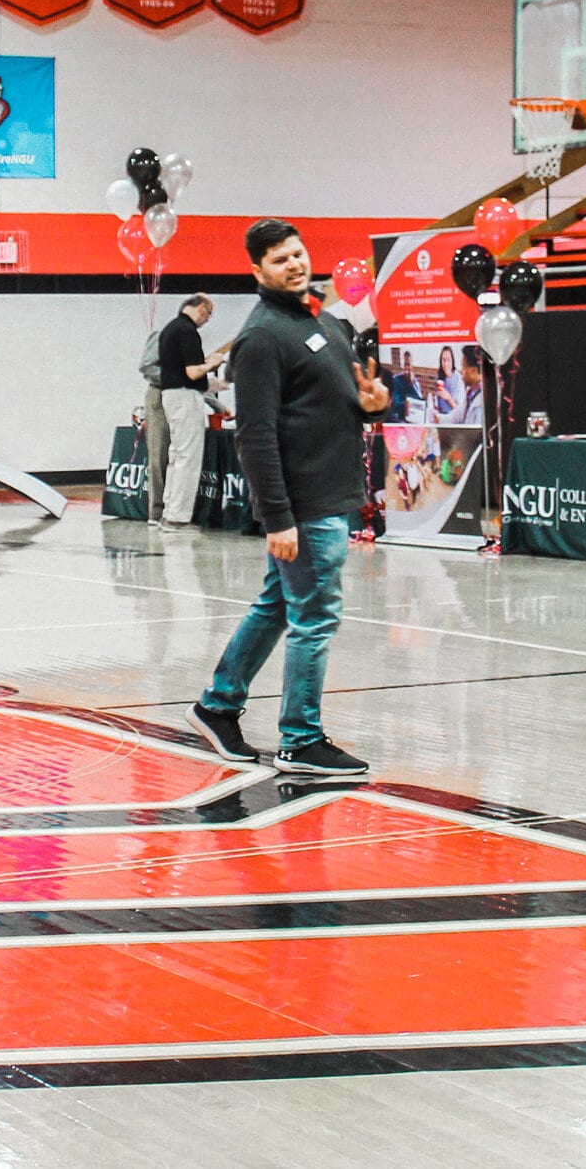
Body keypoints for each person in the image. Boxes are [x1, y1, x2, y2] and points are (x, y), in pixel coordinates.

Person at [188, 219, 389, 777]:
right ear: (258, 271)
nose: (294, 265)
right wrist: (277, 516)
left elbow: (342, 400)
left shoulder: (324, 321)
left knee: (278, 607)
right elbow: (254, 434)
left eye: (297, 254)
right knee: (315, 618)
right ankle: (299, 739)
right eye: (280, 260)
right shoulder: (261, 338)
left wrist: (372, 404)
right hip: (305, 505)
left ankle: (217, 705)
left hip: (331, 494)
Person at [155, 294, 221, 529]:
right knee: (188, 457)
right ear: (201, 307)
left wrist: (213, 383)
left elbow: (184, 370)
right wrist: (213, 362)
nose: (208, 319)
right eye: (209, 313)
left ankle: (169, 510)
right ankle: (177, 517)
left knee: (177, 454)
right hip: (185, 397)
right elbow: (193, 373)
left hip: (171, 395)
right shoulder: (188, 332)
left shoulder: (170, 330)